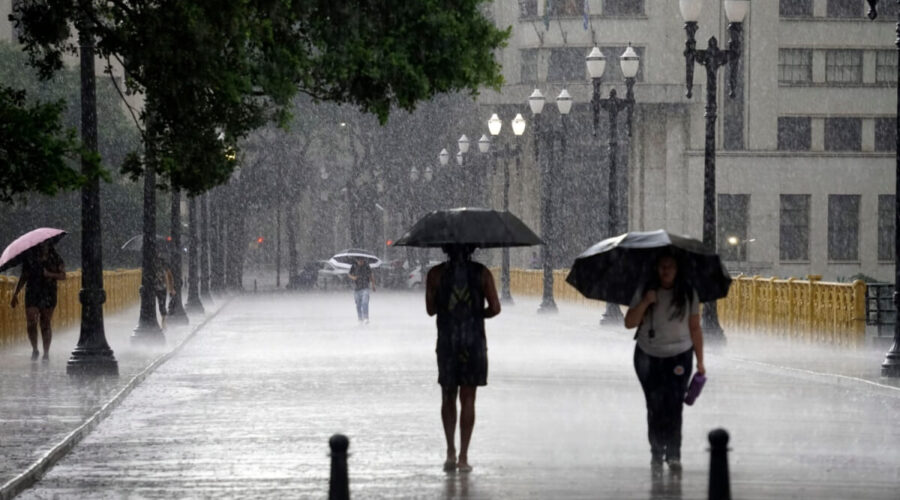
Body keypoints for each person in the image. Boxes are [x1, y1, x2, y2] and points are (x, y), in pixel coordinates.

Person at [624, 251, 704, 473]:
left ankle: (674, 453)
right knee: (654, 405)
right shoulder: (644, 290)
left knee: (675, 405)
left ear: (678, 270)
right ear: (655, 269)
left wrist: (700, 361)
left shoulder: (688, 293)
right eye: (662, 267)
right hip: (647, 355)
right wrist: (646, 301)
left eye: (670, 266)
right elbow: (629, 323)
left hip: (680, 355)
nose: (666, 271)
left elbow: (695, 328)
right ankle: (657, 452)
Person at [425, 245, 501, 473]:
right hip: (473, 342)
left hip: (448, 341)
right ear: (472, 250)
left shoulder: (436, 274)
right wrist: (477, 313)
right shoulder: (482, 273)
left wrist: (447, 308)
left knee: (448, 396)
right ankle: (464, 457)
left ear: (445, 249)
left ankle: (450, 451)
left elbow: (430, 310)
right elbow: (495, 308)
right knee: (468, 398)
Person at [9, 243, 66, 361]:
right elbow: (24, 276)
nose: (43, 246)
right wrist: (16, 293)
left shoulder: (55, 257)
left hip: (48, 292)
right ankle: (35, 349)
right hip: (32, 291)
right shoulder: (30, 257)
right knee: (31, 321)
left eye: (45, 244)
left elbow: (63, 276)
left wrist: (49, 274)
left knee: (45, 323)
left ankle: (46, 353)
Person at [348, 256, 375, 323]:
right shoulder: (354, 266)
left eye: (362, 261)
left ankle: (366, 317)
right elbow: (349, 274)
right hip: (356, 288)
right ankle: (360, 318)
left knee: (365, 303)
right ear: (357, 260)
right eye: (359, 261)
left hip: (365, 287)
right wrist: (353, 277)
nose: (361, 262)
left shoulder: (366, 266)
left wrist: (373, 285)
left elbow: (371, 275)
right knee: (358, 304)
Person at [155, 254, 175, 329]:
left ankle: (163, 322)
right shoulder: (161, 266)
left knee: (161, 305)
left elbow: (170, 277)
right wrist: (171, 288)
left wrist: (171, 288)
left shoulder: (163, 267)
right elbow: (170, 277)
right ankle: (163, 322)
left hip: (161, 288)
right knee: (161, 305)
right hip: (159, 288)